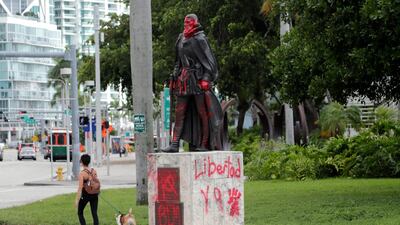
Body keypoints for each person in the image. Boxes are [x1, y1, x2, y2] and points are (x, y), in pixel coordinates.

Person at [163, 14, 223, 153]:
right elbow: (177, 61)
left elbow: (210, 62)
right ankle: (174, 144)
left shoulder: (200, 39)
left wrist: (206, 78)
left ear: (195, 22)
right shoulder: (181, 38)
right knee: (179, 113)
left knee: (203, 113)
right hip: (183, 81)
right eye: (185, 22)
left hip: (197, 80)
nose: (186, 24)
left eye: (189, 22)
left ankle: (204, 143)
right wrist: (174, 77)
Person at [75, 154, 99, 225]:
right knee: (94, 213)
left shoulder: (82, 174)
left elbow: (80, 188)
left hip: (85, 195)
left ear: (81, 162)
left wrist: (77, 200)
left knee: (80, 212)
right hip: (94, 194)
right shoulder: (94, 171)